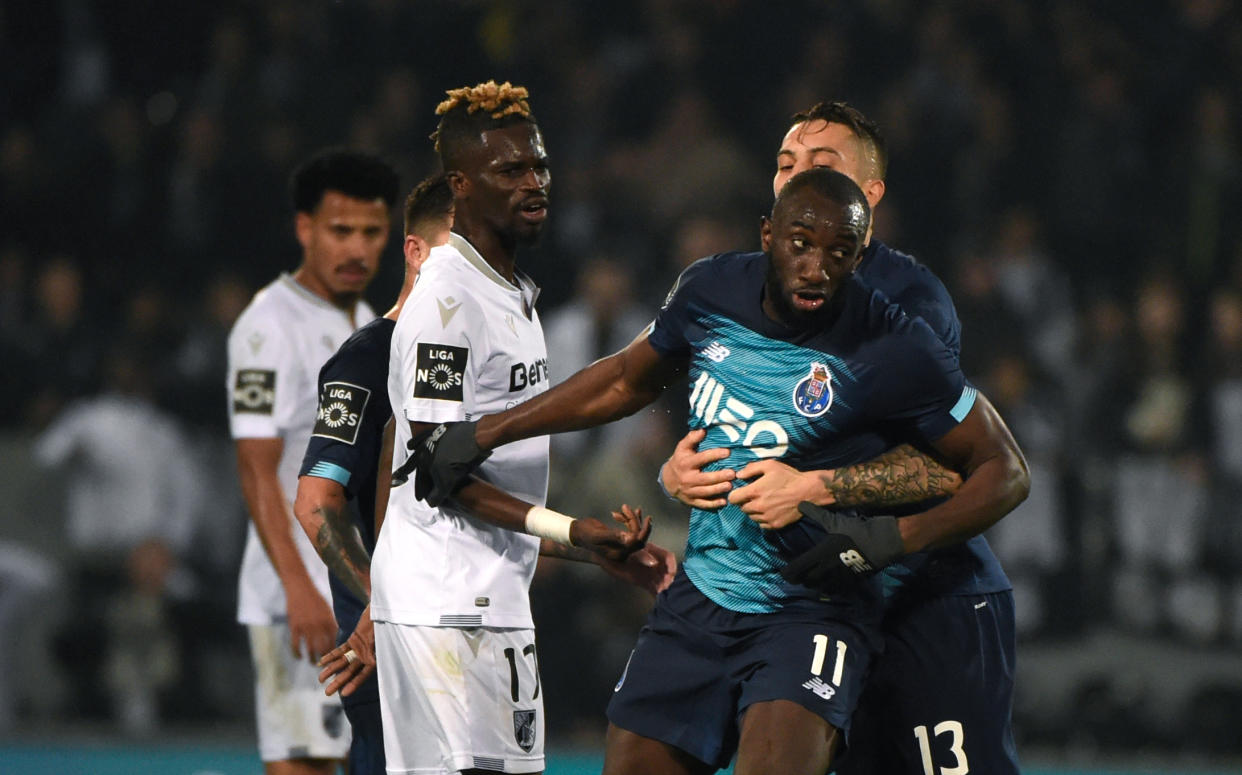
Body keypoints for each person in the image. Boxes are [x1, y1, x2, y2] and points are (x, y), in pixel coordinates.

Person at [412, 167, 1030, 775]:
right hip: (701, 599)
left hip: (813, 611)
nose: (817, 267)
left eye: (840, 251)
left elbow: (1002, 470)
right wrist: (485, 433)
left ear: (860, 253)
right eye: (801, 244)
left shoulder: (894, 344)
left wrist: (888, 539)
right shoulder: (710, 290)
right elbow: (628, 378)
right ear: (767, 234)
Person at [661, 101, 1026, 775]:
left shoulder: (906, 301)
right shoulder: (749, 288)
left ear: (870, 195)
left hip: (928, 597)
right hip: (822, 609)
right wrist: (684, 465)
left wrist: (815, 486)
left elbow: (950, 468)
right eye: (785, 163)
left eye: (823, 164)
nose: (798, 173)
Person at [371, 80, 659, 775]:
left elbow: (488, 480)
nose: (535, 183)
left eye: (540, 166)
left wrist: (586, 546)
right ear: (461, 187)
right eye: (511, 171)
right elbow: (439, 472)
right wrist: (568, 528)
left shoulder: (508, 293)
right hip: (446, 605)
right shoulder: (447, 302)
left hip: (483, 596)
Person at [227, 147, 400, 775]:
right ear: (305, 229)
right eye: (340, 230)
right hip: (298, 596)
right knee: (306, 763)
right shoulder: (266, 325)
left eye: (372, 232)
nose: (357, 248)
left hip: (354, 590)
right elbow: (255, 466)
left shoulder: (366, 323)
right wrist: (298, 588)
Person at [290, 173, 454, 775]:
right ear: (414, 252)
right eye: (456, 255)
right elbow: (316, 500)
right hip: (386, 657)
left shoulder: (463, 364)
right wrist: (384, 606)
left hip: (466, 648)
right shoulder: (365, 361)